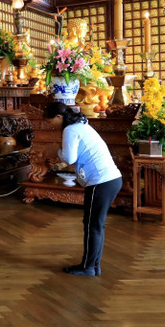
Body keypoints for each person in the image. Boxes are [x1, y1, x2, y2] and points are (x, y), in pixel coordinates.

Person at [44, 101, 122, 276]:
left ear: (59, 117)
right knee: (96, 225)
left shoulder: (70, 129)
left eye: (50, 121)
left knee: (92, 225)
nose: (50, 125)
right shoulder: (81, 125)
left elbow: (69, 158)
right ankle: (93, 266)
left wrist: (57, 151)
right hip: (112, 179)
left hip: (100, 181)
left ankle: (88, 267)